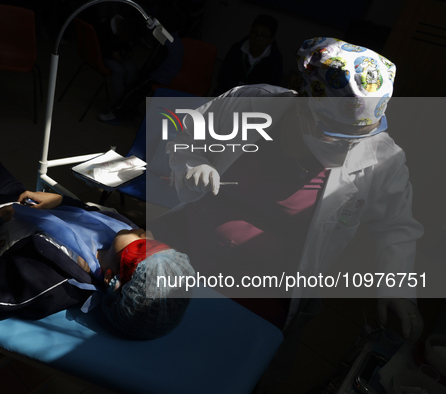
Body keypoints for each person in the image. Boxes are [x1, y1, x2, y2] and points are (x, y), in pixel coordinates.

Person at [152, 37, 424, 388]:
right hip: (187, 250)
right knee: (156, 340)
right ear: (302, 102)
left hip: (267, 292)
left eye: (353, 139)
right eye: (333, 137)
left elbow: (395, 227)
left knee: (234, 371)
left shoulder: (382, 159)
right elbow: (185, 135)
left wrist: (397, 287)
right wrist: (193, 162)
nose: (345, 150)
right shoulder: (247, 103)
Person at [0, 103, 194, 340]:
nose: (143, 229)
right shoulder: (121, 231)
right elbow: (94, 214)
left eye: (143, 244)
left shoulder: (52, 283)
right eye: (156, 240)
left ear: (109, 279)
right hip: (19, 203)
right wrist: (62, 202)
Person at [97, 11, 184, 124]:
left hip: (160, 76)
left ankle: (115, 113)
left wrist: (141, 74)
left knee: (133, 89)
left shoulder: (164, 43)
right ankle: (131, 110)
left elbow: (152, 64)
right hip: (168, 74)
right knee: (138, 89)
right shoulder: (175, 39)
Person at [212, 14, 283, 96]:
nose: (257, 38)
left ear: (271, 40)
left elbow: (271, 89)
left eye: (263, 36)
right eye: (255, 33)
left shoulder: (274, 59)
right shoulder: (237, 49)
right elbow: (222, 76)